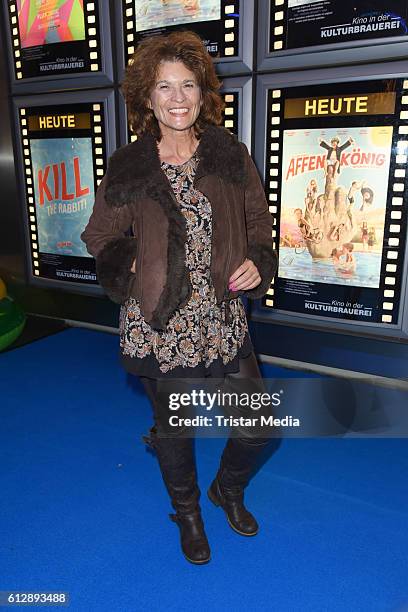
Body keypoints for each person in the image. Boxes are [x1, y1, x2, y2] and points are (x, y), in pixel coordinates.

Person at [81, 31, 277, 565]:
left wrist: (258, 259)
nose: (177, 98)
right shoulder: (129, 165)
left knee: (258, 425)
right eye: (164, 86)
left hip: (221, 315)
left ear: (202, 92)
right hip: (160, 320)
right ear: (148, 97)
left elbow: (259, 223)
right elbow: (98, 236)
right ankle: (187, 511)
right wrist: (132, 260)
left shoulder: (228, 153)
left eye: (187, 85)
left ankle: (227, 490)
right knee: (175, 430)